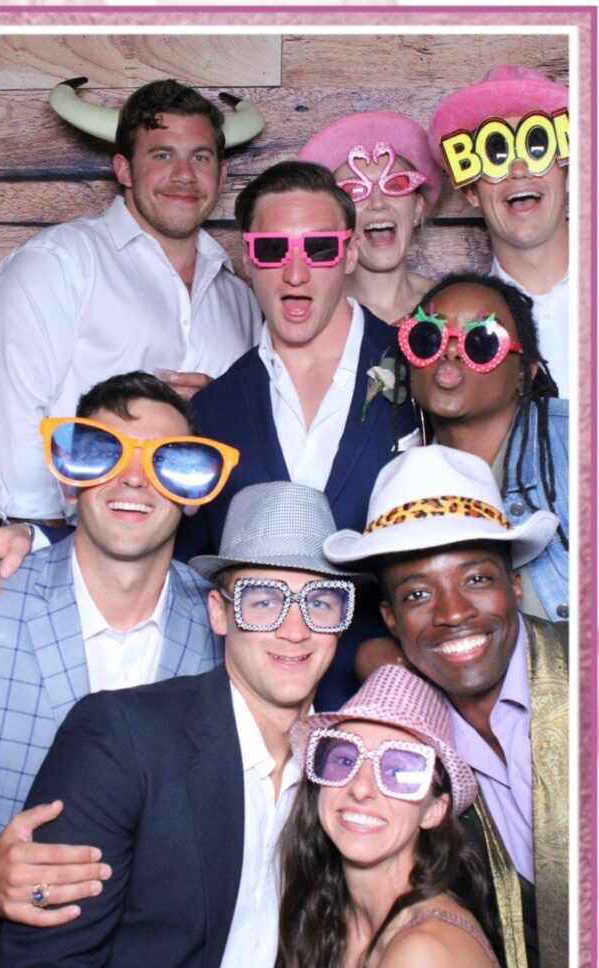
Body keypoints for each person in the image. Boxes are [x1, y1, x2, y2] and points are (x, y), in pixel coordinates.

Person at [0, 481, 362, 968]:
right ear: (219, 613)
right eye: (262, 601)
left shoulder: (347, 774)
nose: (294, 629)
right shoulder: (120, 740)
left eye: (319, 602)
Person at [0, 370, 238, 925]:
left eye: (166, 461)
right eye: (104, 454)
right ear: (68, 481)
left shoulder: (231, 632)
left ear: (194, 493)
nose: (133, 478)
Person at [324, 444, 569, 968]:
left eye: (477, 579)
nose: (453, 612)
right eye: (417, 593)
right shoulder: (414, 746)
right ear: (390, 619)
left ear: (516, 587)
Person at [179, 159, 420, 708]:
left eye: (318, 249)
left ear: (350, 253)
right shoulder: (214, 411)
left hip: (387, 700)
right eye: (272, 250)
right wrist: (40, 538)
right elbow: (174, 561)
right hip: (252, 709)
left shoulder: (423, 370)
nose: (295, 273)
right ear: (247, 258)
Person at [0, 78, 262, 525]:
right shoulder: (59, 263)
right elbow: (8, 409)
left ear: (222, 175)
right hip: (67, 545)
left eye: (201, 157)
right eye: (161, 155)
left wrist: (218, 405)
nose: (184, 175)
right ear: (123, 169)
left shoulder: (241, 298)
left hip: (198, 561)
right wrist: (45, 543)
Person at [271, 665, 505, 968]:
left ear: (434, 810)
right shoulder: (328, 918)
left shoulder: (423, 955)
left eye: (398, 769)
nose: (362, 788)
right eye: (344, 759)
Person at [391, 271, 568, 622]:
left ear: (526, 372)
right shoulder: (406, 484)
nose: (452, 351)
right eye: (429, 337)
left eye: (482, 341)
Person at [428, 65, 569, 396]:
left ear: (567, 170)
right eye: (497, 155)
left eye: (537, 148)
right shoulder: (451, 333)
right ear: (470, 192)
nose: (518, 171)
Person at [298, 110, 442, 324]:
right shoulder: (314, 316)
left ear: (418, 209)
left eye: (395, 185)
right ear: (333, 220)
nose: (378, 203)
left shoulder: (449, 304)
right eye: (354, 191)